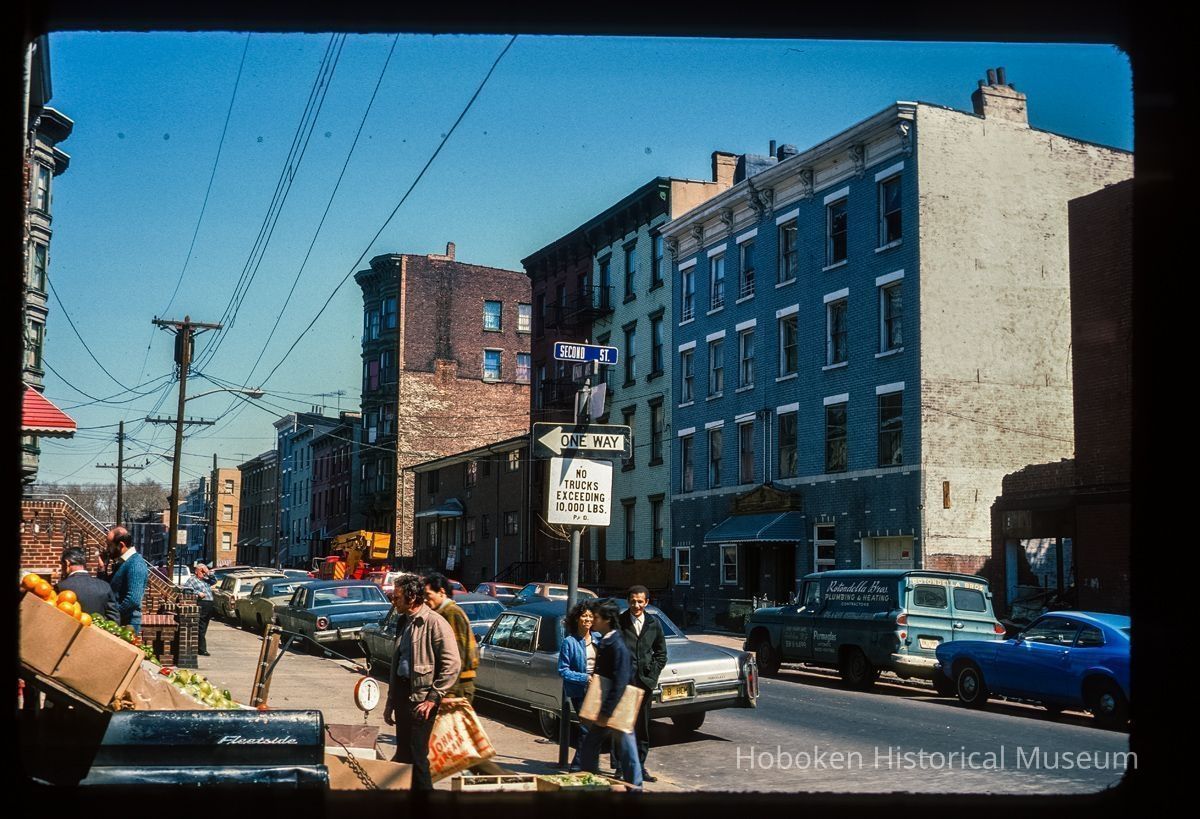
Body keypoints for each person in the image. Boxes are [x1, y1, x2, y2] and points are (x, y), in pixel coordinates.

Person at [383, 574, 461, 791]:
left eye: (397, 597)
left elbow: (452, 664)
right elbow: (397, 665)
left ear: (411, 597)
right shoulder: (403, 622)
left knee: (417, 758)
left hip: (421, 701)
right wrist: (391, 702)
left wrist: (432, 698)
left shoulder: (435, 623)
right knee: (404, 754)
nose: (393, 601)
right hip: (402, 695)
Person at [577, 600, 643, 790]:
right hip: (606, 704)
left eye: (596, 617)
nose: (593, 621)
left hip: (617, 706)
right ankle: (588, 783)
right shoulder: (607, 640)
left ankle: (635, 789)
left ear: (606, 620)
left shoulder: (617, 645)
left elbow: (621, 682)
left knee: (627, 749)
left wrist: (606, 711)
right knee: (590, 745)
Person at [618, 585, 668, 782]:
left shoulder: (654, 623)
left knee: (642, 727)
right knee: (623, 725)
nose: (636, 605)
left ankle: (640, 766)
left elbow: (661, 653)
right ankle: (621, 767)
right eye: (633, 601)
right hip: (625, 682)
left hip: (645, 683)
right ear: (628, 601)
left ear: (646, 602)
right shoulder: (620, 622)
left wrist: (652, 673)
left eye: (640, 601)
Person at [424, 572, 478, 703]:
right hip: (451, 685)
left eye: (428, 594)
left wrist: (449, 693)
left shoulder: (451, 613)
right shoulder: (441, 613)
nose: (425, 599)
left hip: (457, 687)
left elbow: (457, 655)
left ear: (441, 592)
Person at [558, 600, 598, 772]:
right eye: (584, 616)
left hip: (598, 690)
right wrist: (585, 678)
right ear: (577, 619)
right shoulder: (569, 642)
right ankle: (576, 768)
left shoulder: (599, 639)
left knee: (595, 730)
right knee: (586, 730)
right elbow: (563, 670)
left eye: (590, 616)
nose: (587, 619)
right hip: (580, 691)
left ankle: (588, 766)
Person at [104, 526, 149, 634]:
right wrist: (102, 569)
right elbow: (107, 588)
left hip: (128, 625)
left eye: (110, 545)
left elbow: (133, 599)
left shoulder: (135, 564)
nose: (107, 549)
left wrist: (114, 615)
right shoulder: (123, 562)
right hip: (120, 622)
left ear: (121, 545)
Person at [55, 546, 113, 617]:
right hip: (98, 627)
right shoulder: (105, 586)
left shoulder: (60, 587)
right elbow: (114, 618)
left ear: (67, 563)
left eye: (62, 564)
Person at [181, 563, 215, 656]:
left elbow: (214, 581)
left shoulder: (205, 580)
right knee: (201, 626)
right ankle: (202, 649)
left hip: (209, 604)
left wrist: (208, 572)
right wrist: (197, 593)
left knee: (204, 626)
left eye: (204, 571)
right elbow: (186, 590)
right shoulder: (192, 580)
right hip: (202, 603)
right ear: (196, 571)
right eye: (202, 571)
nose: (203, 573)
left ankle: (200, 647)